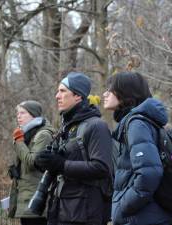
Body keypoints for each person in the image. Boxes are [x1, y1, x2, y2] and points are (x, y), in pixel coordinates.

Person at [34, 72, 113, 225]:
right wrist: (43, 161)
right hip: (61, 210)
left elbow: (101, 167)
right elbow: (58, 166)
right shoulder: (66, 127)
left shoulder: (96, 126)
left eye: (63, 91)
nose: (57, 96)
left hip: (85, 214)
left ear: (77, 95)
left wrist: (61, 164)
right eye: (57, 91)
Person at [103, 71, 172, 225]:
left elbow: (149, 173)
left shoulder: (136, 124)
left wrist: (124, 206)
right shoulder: (140, 122)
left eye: (110, 89)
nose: (104, 94)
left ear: (125, 92)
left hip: (142, 218)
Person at [10, 100, 55, 225]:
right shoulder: (27, 133)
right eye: (18, 113)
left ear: (34, 115)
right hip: (26, 196)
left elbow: (32, 162)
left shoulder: (43, 135)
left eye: (23, 113)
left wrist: (18, 142)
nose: (18, 116)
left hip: (36, 199)